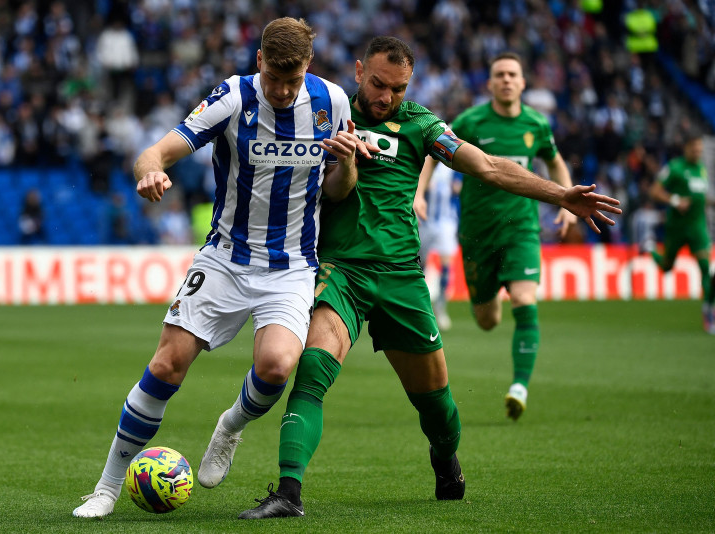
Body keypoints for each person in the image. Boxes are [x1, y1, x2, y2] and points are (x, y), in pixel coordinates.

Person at [238, 36, 621, 519]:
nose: (385, 97)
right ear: (358, 72)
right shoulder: (325, 112)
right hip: (341, 272)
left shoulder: (422, 124)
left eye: (397, 89)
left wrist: (561, 195)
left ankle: (444, 456)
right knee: (312, 369)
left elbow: (486, 166)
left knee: (436, 406)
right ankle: (288, 493)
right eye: (377, 84)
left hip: (401, 277)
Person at [72, 17, 373, 519]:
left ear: (308, 68)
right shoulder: (232, 97)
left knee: (277, 365)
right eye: (273, 78)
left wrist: (346, 164)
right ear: (258, 61)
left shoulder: (333, 103)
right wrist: (149, 171)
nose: (281, 90)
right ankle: (105, 487)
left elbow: (338, 191)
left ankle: (229, 426)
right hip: (225, 259)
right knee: (167, 363)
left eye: (291, 80)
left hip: (292, 265)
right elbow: (156, 151)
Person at [447, 51, 577, 421]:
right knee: (487, 320)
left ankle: (519, 386)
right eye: (499, 74)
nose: (506, 79)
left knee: (524, 299)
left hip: (522, 229)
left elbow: (554, 160)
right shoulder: (471, 120)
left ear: (522, 83)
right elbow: (432, 153)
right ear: (489, 84)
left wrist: (566, 200)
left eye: (512, 74)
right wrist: (419, 193)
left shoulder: (537, 124)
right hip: (476, 234)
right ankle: (489, 299)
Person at [647, 131, 715, 334]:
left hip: (697, 227)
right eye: (695, 148)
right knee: (667, 267)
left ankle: (708, 311)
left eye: (700, 149)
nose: (698, 152)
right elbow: (654, 191)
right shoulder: (674, 168)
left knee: (707, 270)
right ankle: (650, 248)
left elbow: (699, 197)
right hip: (676, 228)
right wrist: (675, 201)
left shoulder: (701, 169)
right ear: (686, 148)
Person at [415, 158, 462, 330]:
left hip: (447, 222)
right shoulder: (425, 164)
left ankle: (440, 308)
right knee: (420, 266)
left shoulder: (454, 165)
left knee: (446, 265)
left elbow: (459, 186)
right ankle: (419, 307)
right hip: (424, 221)